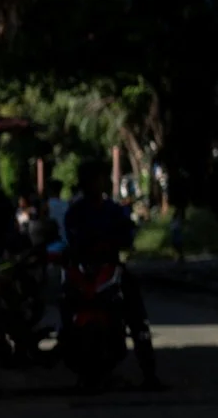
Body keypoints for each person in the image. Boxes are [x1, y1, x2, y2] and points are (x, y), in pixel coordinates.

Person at [62, 162, 164, 390]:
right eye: (91, 180)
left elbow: (127, 236)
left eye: (98, 179)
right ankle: (71, 350)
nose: (96, 184)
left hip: (110, 269)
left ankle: (149, 373)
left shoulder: (113, 210)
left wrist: (115, 242)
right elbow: (71, 240)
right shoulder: (76, 213)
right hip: (84, 271)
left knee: (137, 316)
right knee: (66, 303)